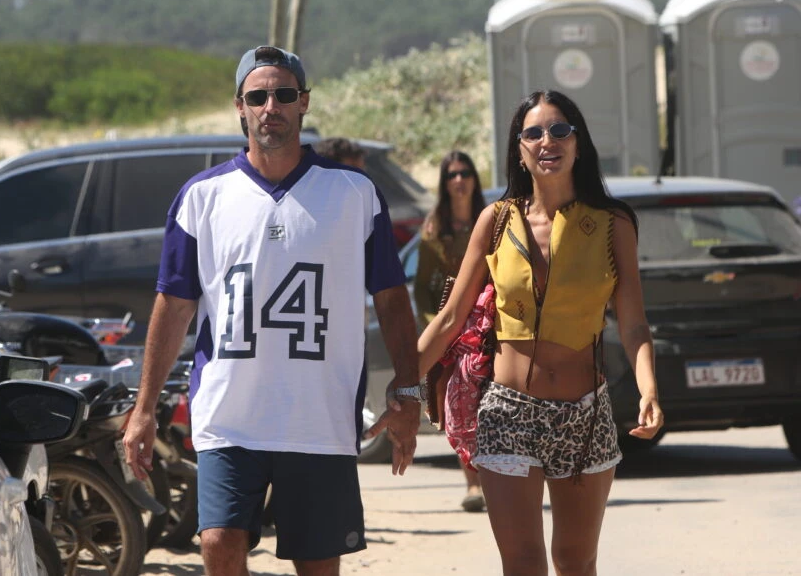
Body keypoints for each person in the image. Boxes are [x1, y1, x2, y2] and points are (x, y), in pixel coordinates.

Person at [122, 45, 420, 576]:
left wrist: (409, 390)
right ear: (240, 106)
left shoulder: (353, 193)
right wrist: (144, 407)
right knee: (218, 542)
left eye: (284, 94)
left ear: (304, 102)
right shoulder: (202, 196)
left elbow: (393, 300)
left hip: (319, 418)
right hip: (230, 417)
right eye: (257, 97)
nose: (270, 107)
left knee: (317, 564)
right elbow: (174, 305)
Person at [418, 89, 663, 575]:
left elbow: (634, 322)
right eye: (533, 133)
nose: (547, 141)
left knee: (575, 561)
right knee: (523, 563)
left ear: (578, 143)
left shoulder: (613, 224)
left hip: (585, 415)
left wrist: (649, 389)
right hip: (507, 411)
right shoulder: (495, 220)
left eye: (559, 130)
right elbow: (448, 319)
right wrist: (402, 385)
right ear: (519, 149)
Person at [413, 150, 487, 513]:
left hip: (489, 323)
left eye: (465, 173)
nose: (459, 181)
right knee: (459, 405)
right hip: (450, 331)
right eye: (452, 175)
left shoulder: (490, 219)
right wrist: (440, 327)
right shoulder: (434, 229)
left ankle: (498, 481)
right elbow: (422, 287)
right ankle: (473, 484)